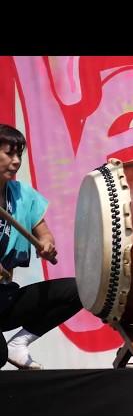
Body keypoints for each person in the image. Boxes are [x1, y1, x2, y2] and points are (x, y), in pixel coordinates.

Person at [0, 124, 82, 370]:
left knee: (78, 290)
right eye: (9, 154)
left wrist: (47, 244)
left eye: (19, 155)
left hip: (5, 295)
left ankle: (20, 343)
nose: (16, 162)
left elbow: (44, 232)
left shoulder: (22, 194)